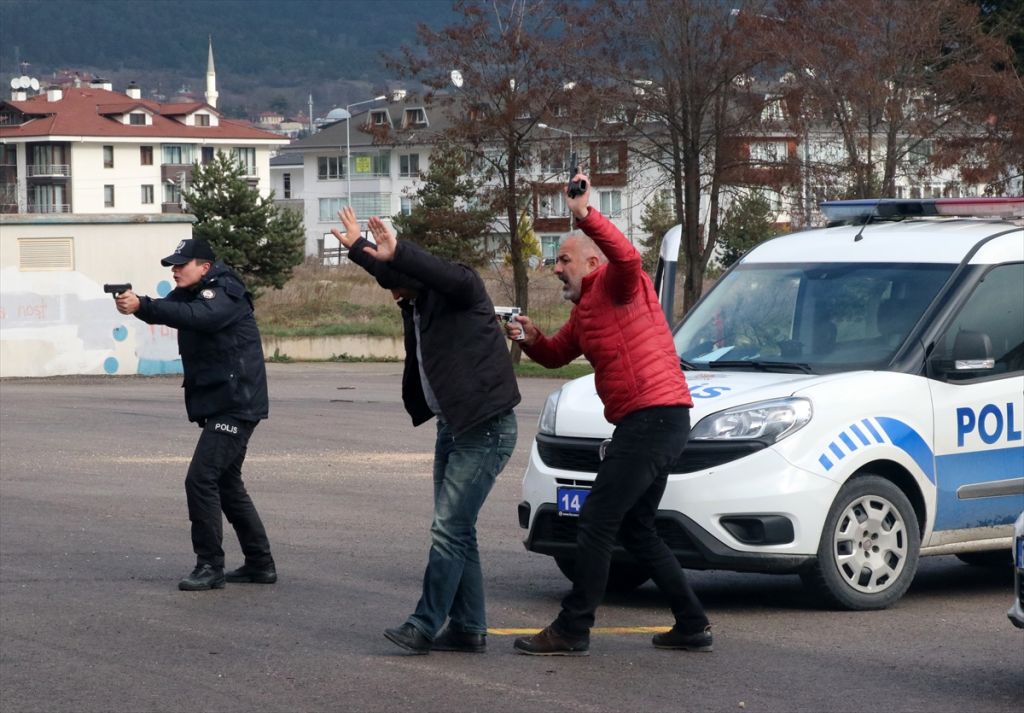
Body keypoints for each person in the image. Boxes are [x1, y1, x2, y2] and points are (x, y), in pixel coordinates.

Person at [505, 173, 711, 656]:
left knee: (597, 520)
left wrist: (585, 213)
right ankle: (692, 622)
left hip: (654, 417)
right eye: (555, 259)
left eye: (564, 259)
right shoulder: (584, 312)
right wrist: (532, 338)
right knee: (636, 528)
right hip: (653, 421)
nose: (556, 268)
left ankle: (573, 628)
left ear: (592, 261)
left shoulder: (620, 284)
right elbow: (557, 354)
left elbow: (629, 255)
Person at [332, 207, 520, 655]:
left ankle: (424, 623)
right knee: (459, 530)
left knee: (448, 529)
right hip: (453, 428)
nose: (393, 294)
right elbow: (389, 271)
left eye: (396, 283)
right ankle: (469, 627)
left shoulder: (461, 291)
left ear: (414, 275)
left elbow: (435, 271)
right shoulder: (414, 301)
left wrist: (401, 251)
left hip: (485, 429)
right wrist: (360, 248)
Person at [115, 239, 276, 591]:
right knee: (226, 484)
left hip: (237, 403)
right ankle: (259, 563)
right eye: (173, 264)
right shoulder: (192, 292)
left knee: (200, 479)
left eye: (181, 264)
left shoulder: (225, 292)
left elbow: (201, 317)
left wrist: (142, 304)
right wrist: (137, 304)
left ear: (204, 267)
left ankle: (209, 566)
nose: (175, 269)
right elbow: (165, 309)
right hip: (224, 401)